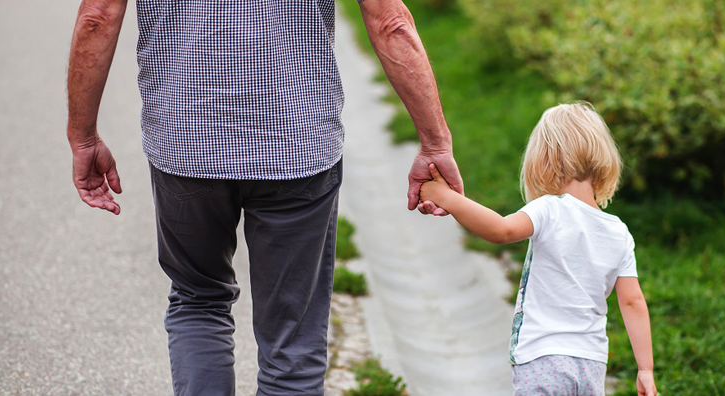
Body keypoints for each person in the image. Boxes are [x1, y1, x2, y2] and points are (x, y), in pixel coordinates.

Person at [65, 0, 462, 394]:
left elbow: (97, 17)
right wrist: (435, 142)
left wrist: (83, 136)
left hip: (185, 141)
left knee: (198, 302)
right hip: (296, 142)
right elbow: (390, 21)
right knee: (293, 343)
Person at [418, 102, 658, 396]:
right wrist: (645, 369)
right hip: (591, 364)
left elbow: (501, 230)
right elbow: (633, 302)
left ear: (545, 160)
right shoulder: (618, 231)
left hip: (543, 359)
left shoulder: (550, 209)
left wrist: (447, 197)